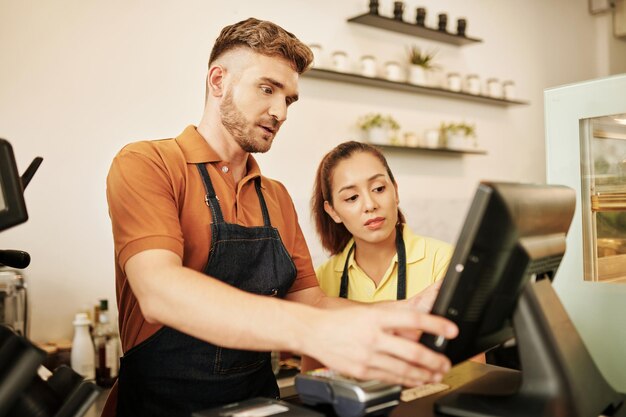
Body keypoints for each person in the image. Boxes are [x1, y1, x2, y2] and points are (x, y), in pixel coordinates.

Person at [104, 18, 457, 417]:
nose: (280, 111)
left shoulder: (275, 196)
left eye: (288, 99)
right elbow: (159, 291)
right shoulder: (147, 163)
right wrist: (315, 333)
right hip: (161, 406)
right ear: (217, 81)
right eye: (267, 89)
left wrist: (406, 311)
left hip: (258, 405)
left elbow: (312, 303)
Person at [301, 141, 454, 371]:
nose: (370, 205)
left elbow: (472, 367)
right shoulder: (321, 281)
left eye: (379, 189)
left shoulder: (443, 261)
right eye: (352, 198)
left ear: (396, 191)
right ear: (333, 211)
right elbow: (313, 373)